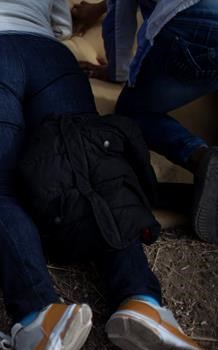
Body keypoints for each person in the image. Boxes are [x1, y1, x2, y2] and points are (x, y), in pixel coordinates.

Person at [0, 0, 218, 350]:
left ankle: (37, 314)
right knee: (93, 170)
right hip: (47, 55)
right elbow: (61, 25)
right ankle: (142, 300)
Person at [75, 0, 218, 243]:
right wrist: (98, 9)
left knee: (132, 113)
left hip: (194, 25)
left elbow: (120, 17)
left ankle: (201, 156)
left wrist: (118, 72)